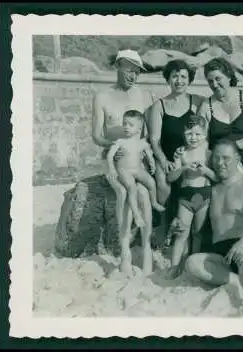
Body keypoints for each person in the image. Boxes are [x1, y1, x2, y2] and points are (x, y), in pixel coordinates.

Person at [185, 139, 243, 314]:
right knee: (192, 263)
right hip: (222, 253)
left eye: (226, 158)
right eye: (216, 158)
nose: (219, 163)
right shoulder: (213, 189)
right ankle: (241, 280)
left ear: (238, 159)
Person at [91, 49, 155, 276]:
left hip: (135, 158)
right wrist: (112, 146)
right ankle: (125, 250)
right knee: (123, 193)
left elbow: (147, 132)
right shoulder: (102, 97)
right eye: (129, 70)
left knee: (144, 195)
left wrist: (140, 150)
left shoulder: (144, 96)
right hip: (114, 157)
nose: (133, 76)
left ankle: (146, 247)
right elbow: (96, 135)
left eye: (137, 72)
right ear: (118, 66)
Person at [146, 59, 205, 242]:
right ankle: (161, 224)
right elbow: (154, 139)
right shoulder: (159, 106)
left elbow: (203, 133)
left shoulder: (197, 102)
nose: (179, 80)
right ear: (168, 79)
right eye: (174, 76)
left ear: (189, 79)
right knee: (163, 184)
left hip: (188, 154)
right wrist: (164, 160)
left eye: (183, 76)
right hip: (165, 154)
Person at [199, 57, 243, 190]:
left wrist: (232, 147)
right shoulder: (206, 106)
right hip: (222, 166)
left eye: (218, 79)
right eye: (210, 81)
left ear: (229, 76)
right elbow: (202, 140)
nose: (214, 84)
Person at [166, 115, 217, 277]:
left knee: (198, 233)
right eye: (189, 134)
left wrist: (206, 171)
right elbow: (170, 178)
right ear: (184, 134)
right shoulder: (182, 154)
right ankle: (174, 267)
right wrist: (183, 168)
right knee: (181, 233)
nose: (193, 138)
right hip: (185, 198)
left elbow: (217, 178)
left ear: (205, 134)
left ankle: (192, 264)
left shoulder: (209, 154)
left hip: (205, 196)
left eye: (198, 134)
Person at [106, 110, 165, 229]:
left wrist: (152, 164)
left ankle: (154, 202)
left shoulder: (142, 143)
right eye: (125, 124)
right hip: (124, 170)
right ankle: (136, 214)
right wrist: (112, 169)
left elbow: (149, 155)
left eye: (130, 125)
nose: (126, 127)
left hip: (137, 169)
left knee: (151, 183)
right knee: (131, 188)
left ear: (139, 129)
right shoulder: (120, 141)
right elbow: (109, 156)